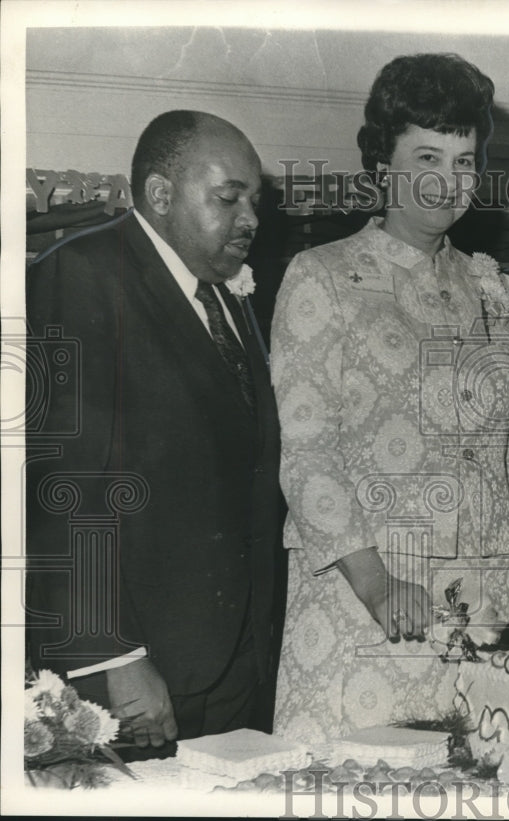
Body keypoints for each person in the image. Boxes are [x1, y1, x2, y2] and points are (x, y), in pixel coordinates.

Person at [271, 53, 509, 743]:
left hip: (483, 616)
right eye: (426, 157)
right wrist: (376, 584)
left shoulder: (496, 290)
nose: (447, 181)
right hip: (363, 607)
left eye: (464, 162)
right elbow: (309, 454)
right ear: (382, 165)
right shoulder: (324, 277)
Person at [26, 111, 285, 746]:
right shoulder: (82, 274)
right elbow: (60, 488)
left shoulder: (229, 293)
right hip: (138, 671)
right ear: (160, 194)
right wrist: (111, 657)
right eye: (229, 198)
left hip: (237, 664)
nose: (250, 219)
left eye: (254, 200)